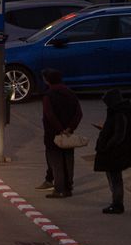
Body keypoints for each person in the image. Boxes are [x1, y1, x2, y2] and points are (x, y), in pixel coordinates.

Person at [42, 68, 84, 197]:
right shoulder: (70, 93)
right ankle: (68, 188)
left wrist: (60, 129)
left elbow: (50, 115)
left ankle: (59, 189)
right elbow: (79, 113)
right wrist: (69, 128)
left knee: (56, 162)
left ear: (47, 80)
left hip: (53, 134)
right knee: (68, 160)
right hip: (69, 134)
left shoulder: (48, 95)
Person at [94, 88, 131, 214]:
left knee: (115, 178)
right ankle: (116, 203)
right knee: (115, 178)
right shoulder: (122, 111)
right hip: (119, 150)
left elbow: (119, 134)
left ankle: (117, 204)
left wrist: (106, 146)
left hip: (115, 152)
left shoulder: (118, 113)